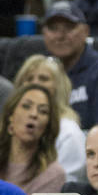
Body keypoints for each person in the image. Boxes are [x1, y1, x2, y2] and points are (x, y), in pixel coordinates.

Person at [41, 0, 98, 130]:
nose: (60, 36)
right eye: (53, 28)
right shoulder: (39, 73)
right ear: (43, 33)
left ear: (86, 31)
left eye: (69, 27)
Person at [14, 53, 86, 182]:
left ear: (59, 86)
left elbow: (65, 184)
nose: (35, 83)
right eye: (29, 78)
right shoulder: (12, 126)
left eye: (43, 78)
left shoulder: (69, 132)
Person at [0, 83, 66, 195]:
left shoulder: (53, 174)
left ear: (47, 126)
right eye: (26, 106)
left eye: (43, 111)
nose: (34, 114)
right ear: (10, 116)